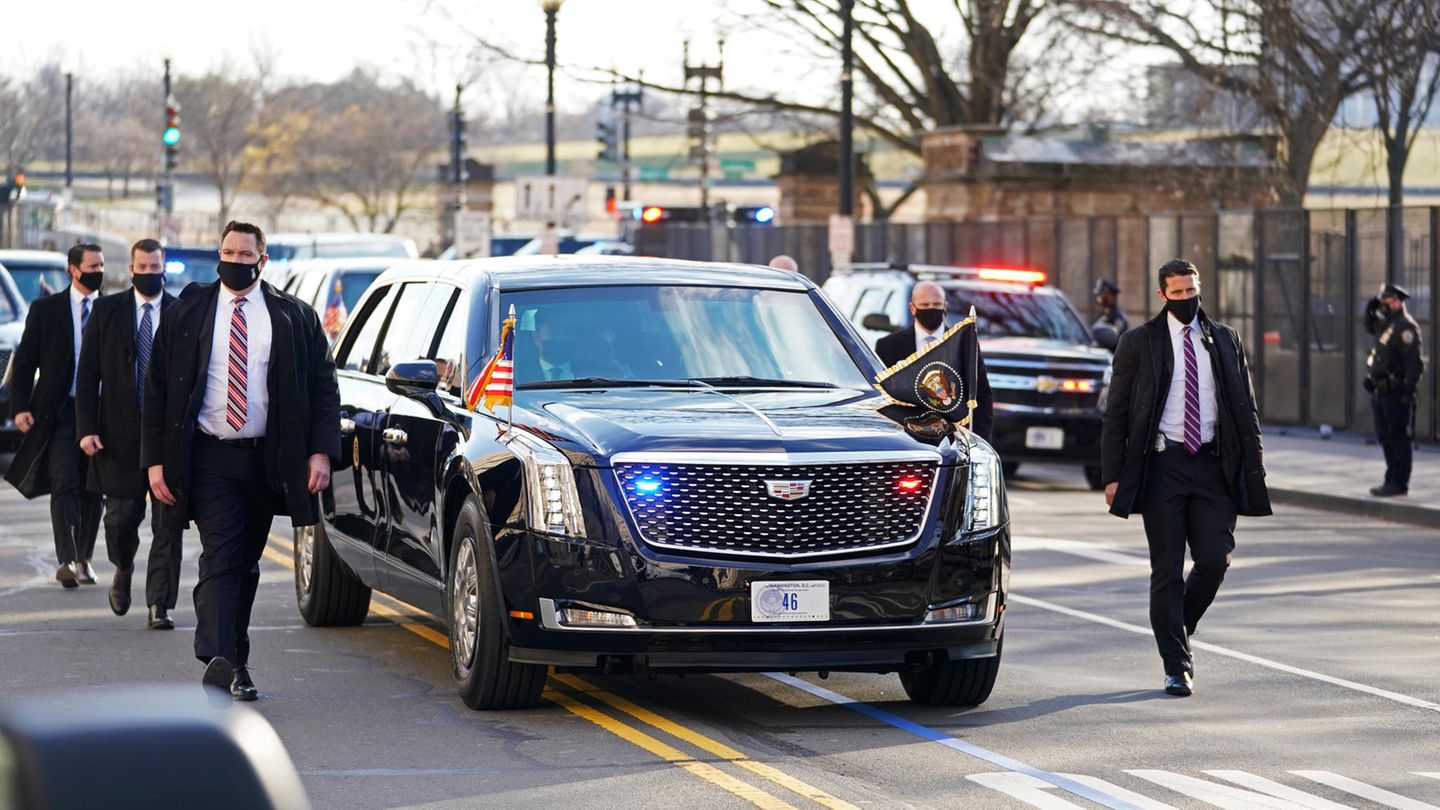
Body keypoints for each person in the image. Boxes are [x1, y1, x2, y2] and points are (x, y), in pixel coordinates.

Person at [142, 221, 340, 702]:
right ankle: (217, 654)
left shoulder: (293, 317)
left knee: (246, 562)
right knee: (222, 554)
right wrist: (154, 462)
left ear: (262, 260)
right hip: (208, 455)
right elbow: (158, 389)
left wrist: (320, 452)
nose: (233, 260)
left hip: (266, 459)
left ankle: (236, 659)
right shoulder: (189, 309)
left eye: (243, 253)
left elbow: (322, 386)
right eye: (226, 251)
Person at [1100, 259, 1271, 697]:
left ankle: (1180, 625)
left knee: (1215, 560)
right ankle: (1176, 664)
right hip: (1164, 467)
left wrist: (1256, 467)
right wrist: (1112, 475)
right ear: (1162, 296)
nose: (1186, 299)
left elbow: (1246, 410)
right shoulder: (1139, 343)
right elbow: (1116, 414)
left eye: (1191, 290)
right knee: (1167, 571)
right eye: (1176, 293)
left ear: (1200, 288)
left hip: (1214, 466)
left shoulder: (1225, 340)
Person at [75, 239, 183, 628]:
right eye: (143, 267)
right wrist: (86, 429)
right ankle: (122, 568)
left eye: (156, 268)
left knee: (167, 525)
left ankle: (160, 605)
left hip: (167, 440)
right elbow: (87, 376)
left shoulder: (179, 311)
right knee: (120, 520)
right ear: (131, 269)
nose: (150, 274)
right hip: (117, 438)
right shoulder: (107, 311)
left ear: (163, 268)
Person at [4, 243, 105, 588]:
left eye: (101, 265)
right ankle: (67, 559)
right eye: (92, 265)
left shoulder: (110, 309)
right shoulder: (46, 309)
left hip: (101, 412)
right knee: (65, 482)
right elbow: (25, 361)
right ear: (73, 270)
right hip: (60, 412)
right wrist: (19, 407)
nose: (98, 271)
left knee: (93, 488)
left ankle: (85, 557)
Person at [875, 281, 994, 441]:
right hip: (905, 437)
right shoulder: (888, 346)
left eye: (936, 304)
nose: (931, 309)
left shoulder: (964, 345)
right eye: (924, 304)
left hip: (954, 437)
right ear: (912, 308)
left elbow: (981, 396)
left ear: (945, 306)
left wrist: (979, 441)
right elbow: (881, 396)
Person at [1363, 283, 1425, 498]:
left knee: (1398, 437)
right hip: (1380, 391)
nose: (1383, 306)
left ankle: (1400, 483)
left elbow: (1414, 364)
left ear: (1397, 301)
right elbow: (1369, 326)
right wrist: (1370, 308)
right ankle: (1390, 479)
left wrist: (1409, 390)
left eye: (1386, 302)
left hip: (1396, 392)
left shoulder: (1405, 327)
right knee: (1385, 436)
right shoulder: (1386, 325)